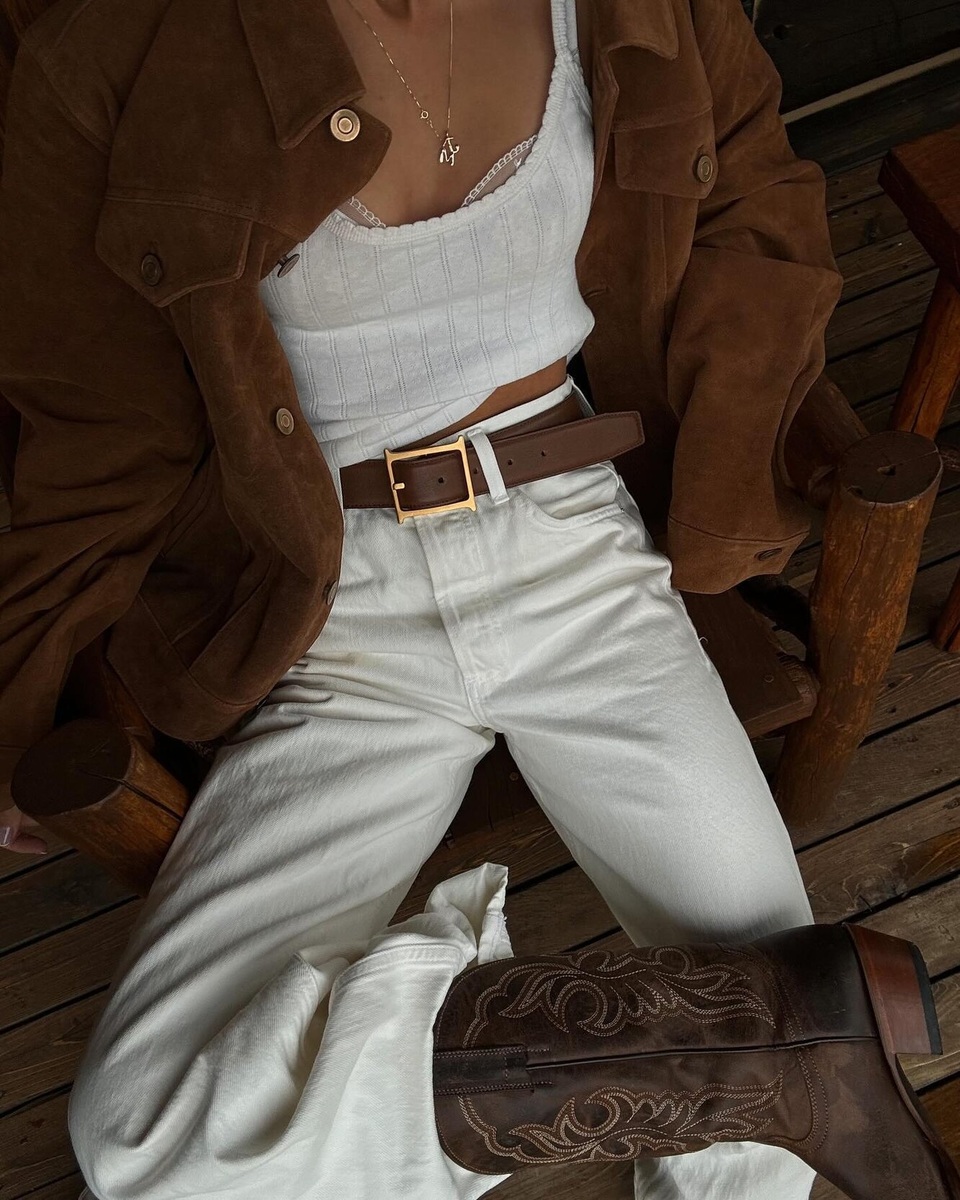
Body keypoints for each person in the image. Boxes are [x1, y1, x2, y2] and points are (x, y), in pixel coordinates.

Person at [1, 0, 954, 1198]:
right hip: (327, 600)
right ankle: (756, 1043)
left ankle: (759, 1051)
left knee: (761, 1159)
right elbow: (90, 419)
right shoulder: (119, 45)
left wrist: (737, 457)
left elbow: (756, 209)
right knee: (143, 1139)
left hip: (579, 546)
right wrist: (21, 686)